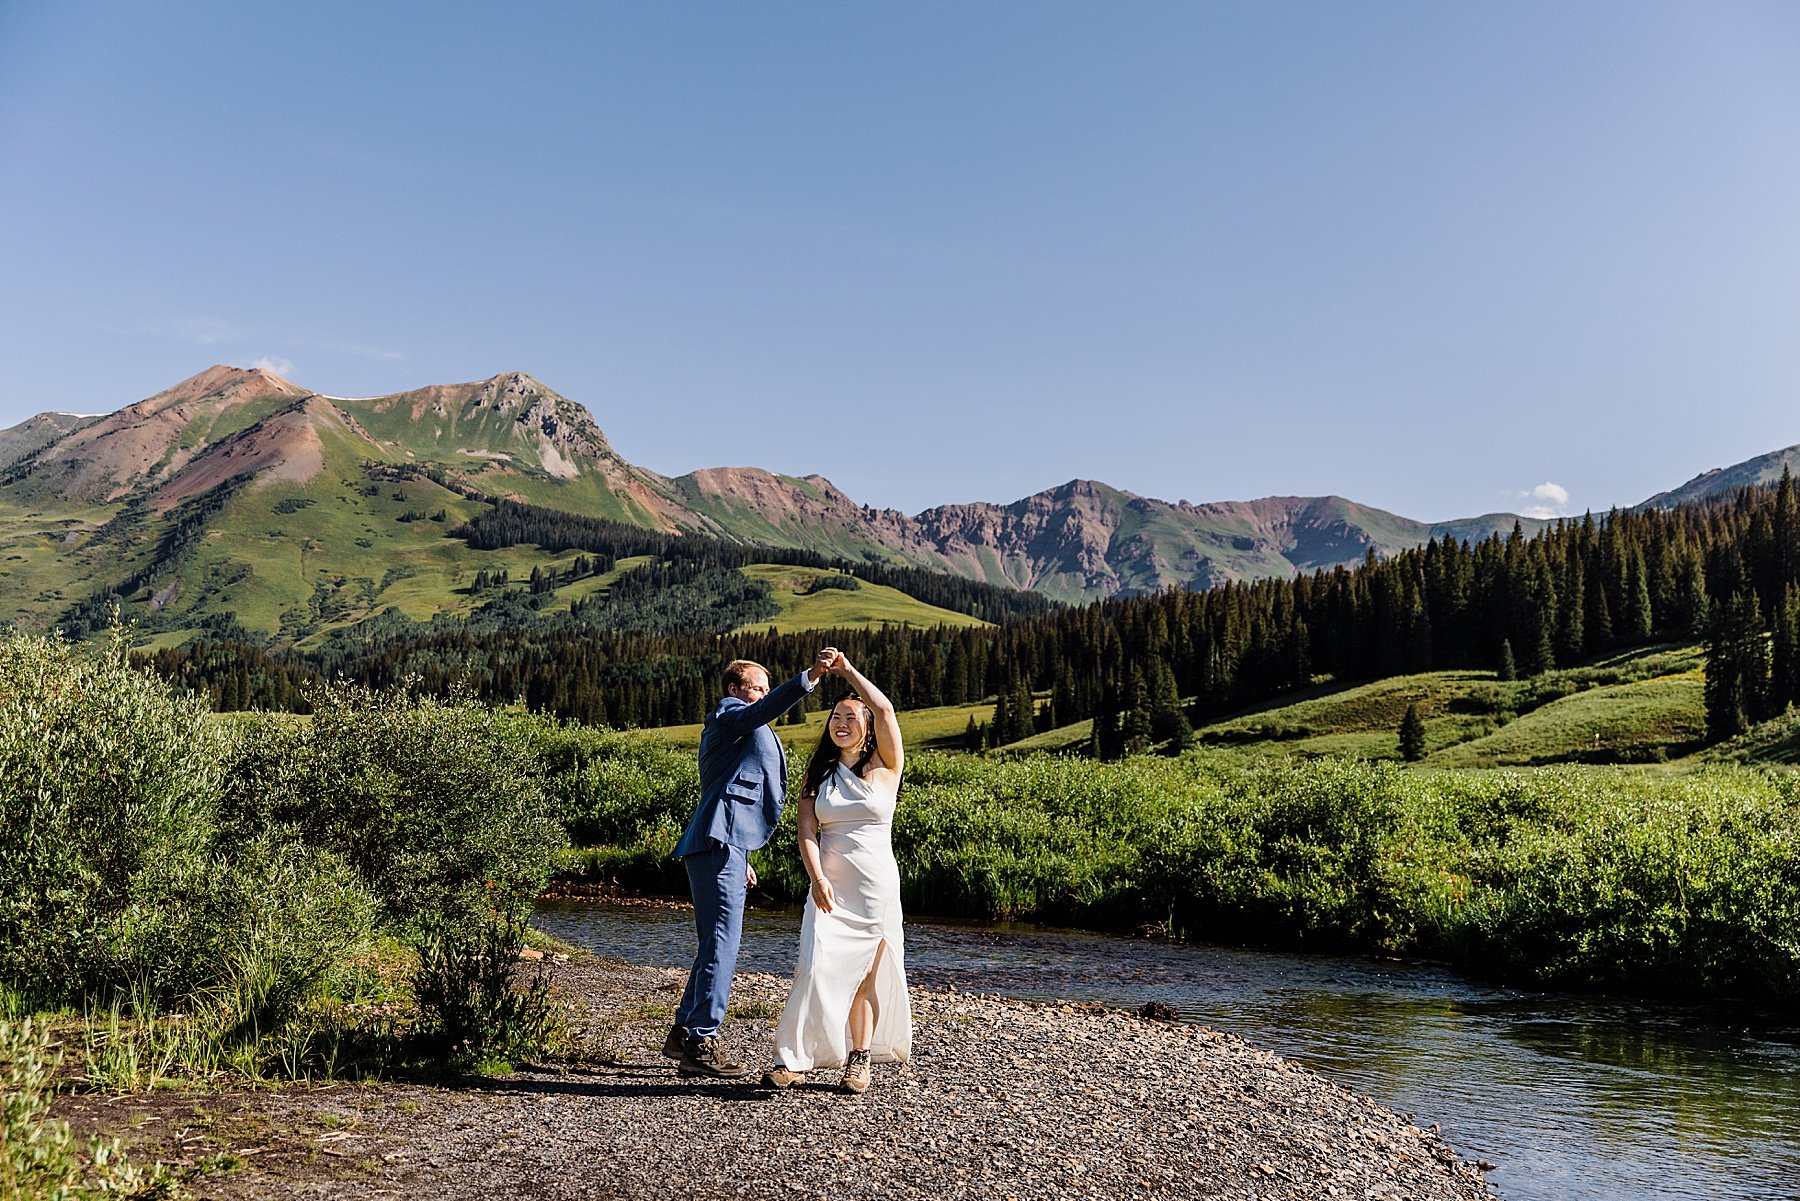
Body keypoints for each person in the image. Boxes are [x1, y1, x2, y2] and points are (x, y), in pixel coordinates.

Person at [666, 651, 831, 1077]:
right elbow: (759, 714)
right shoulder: (729, 714)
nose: (761, 694)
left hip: (726, 845)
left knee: (714, 942)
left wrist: (743, 856)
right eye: (756, 687)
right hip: (717, 842)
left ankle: (685, 1032)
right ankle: (702, 1041)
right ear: (734, 689)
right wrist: (808, 677)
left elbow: (740, 791)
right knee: (723, 942)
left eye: (764, 687)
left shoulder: (743, 728)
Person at [763, 650, 911, 1094]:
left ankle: (859, 1061)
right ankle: (793, 1060)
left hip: (875, 888)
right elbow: (806, 830)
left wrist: (845, 672)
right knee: (813, 968)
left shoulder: (886, 767)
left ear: (867, 728)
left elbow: (885, 707)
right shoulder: (819, 772)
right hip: (829, 888)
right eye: (835, 716)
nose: (841, 722)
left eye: (851, 716)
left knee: (865, 976)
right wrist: (816, 878)